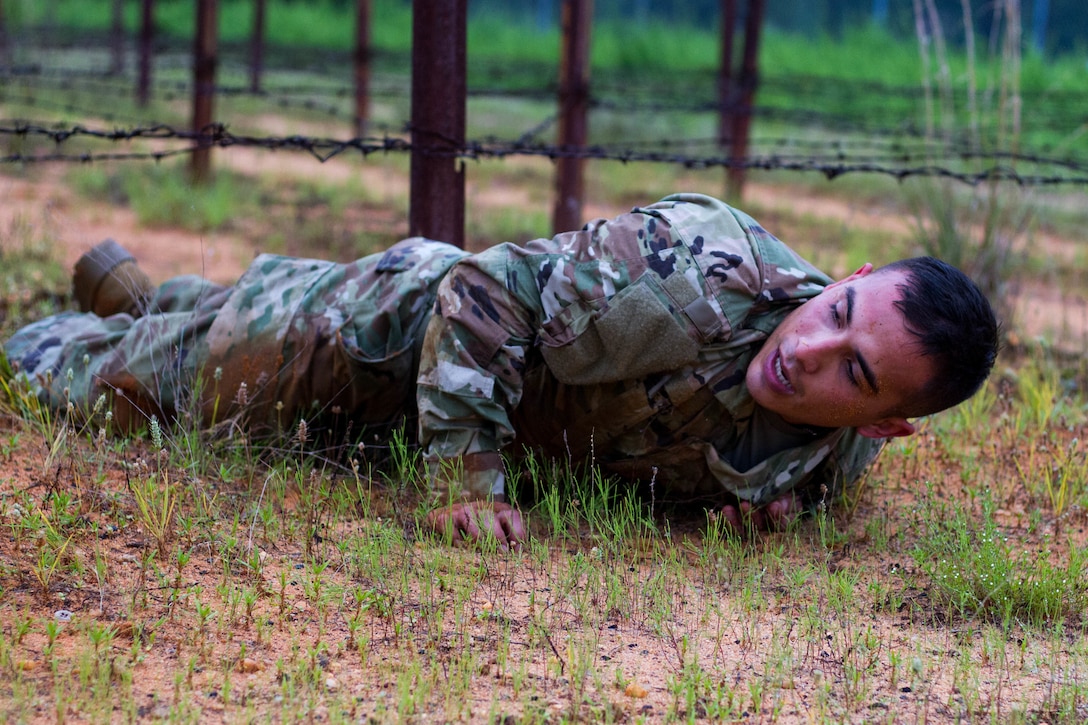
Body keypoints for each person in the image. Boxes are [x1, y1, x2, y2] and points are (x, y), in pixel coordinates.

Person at [3, 193, 999, 548]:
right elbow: (483, 293)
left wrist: (767, 503)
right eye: (835, 313)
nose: (807, 349)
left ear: (881, 426)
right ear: (850, 277)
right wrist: (463, 479)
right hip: (385, 339)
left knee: (197, 336)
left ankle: (158, 296)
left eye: (854, 375)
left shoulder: (827, 461)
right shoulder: (693, 266)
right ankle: (131, 325)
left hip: (440, 402)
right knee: (90, 394)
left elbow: (810, 482)